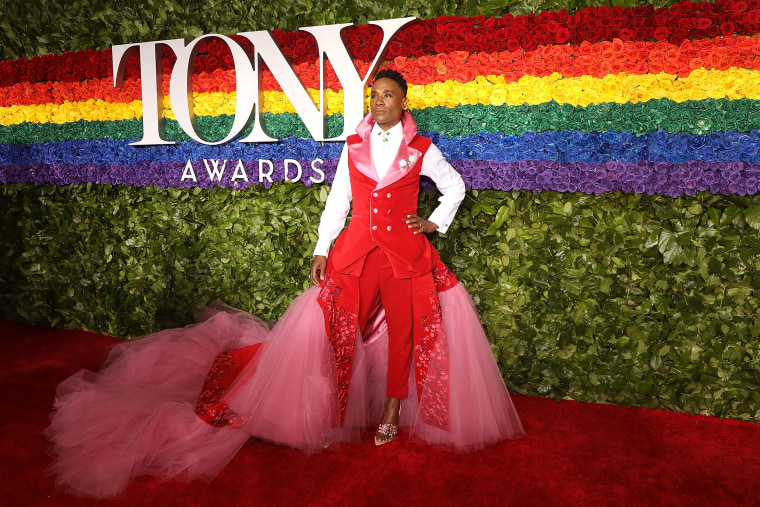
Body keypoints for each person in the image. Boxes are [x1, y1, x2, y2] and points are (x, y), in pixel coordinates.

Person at [45, 69, 524, 499]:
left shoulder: (422, 148)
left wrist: (434, 222)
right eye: (373, 95)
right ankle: (334, 413)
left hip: (403, 255)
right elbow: (338, 200)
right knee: (340, 330)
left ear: (404, 104)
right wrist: (321, 247)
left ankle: (392, 412)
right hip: (354, 252)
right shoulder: (353, 146)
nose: (378, 102)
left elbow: (455, 186)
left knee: (404, 332)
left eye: (387, 95)